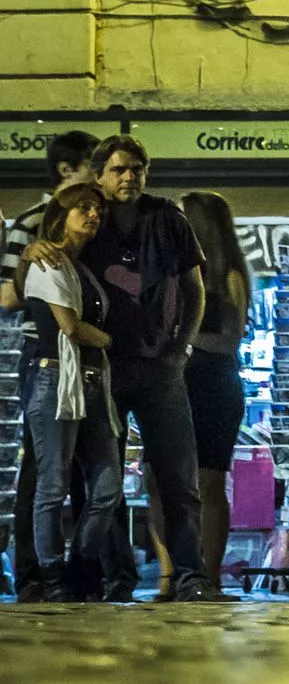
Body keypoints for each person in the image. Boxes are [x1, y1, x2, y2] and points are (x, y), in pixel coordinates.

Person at [20, 136, 227, 602]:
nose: (128, 177)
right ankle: (109, 578)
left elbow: (194, 288)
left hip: (159, 368)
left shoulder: (167, 219)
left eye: (136, 168)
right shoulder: (87, 217)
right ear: (99, 175)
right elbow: (42, 264)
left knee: (178, 477)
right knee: (101, 482)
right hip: (102, 369)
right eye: (118, 170)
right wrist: (31, 253)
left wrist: (181, 348)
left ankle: (190, 576)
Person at [0, 129, 101, 602]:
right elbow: (6, 298)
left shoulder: (95, 226)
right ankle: (36, 573)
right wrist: (30, 262)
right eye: (93, 166)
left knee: (87, 473)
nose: (99, 180)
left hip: (85, 365)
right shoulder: (32, 224)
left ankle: (77, 569)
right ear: (66, 170)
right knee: (44, 472)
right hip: (45, 357)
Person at [14, 184, 120, 603]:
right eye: (83, 208)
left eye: (97, 209)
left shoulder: (79, 266)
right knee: (52, 485)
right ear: (62, 214)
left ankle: (78, 562)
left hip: (90, 381)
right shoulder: (48, 261)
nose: (93, 215)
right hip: (56, 378)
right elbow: (71, 327)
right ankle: (54, 574)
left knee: (108, 488)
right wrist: (110, 341)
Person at [177, 192, 251, 591]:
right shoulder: (176, 270)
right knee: (166, 478)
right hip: (181, 379)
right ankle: (177, 574)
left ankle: (209, 576)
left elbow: (232, 338)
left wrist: (184, 343)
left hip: (213, 381)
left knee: (209, 479)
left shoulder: (228, 277)